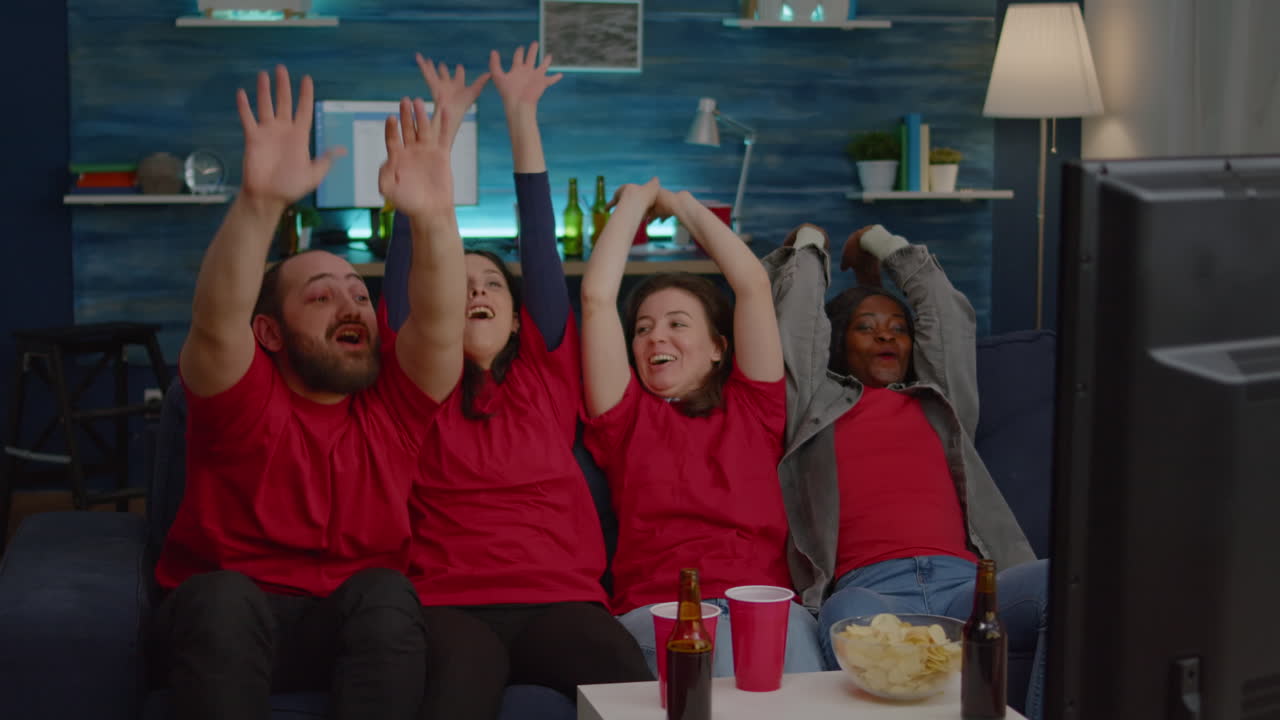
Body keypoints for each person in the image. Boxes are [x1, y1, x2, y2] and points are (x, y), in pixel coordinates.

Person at [148, 64, 461, 720]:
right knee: (222, 597)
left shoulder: (393, 408)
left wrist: (434, 218)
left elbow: (437, 325)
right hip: (229, 620)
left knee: (386, 593)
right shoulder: (240, 398)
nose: (351, 305)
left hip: (345, 626)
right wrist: (260, 204)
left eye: (359, 294)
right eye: (320, 297)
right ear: (268, 333)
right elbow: (215, 321)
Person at [379, 45, 651, 720]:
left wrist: (520, 114)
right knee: (453, 692)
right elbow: (408, 277)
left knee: (631, 684)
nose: (477, 292)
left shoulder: (547, 368)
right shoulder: (414, 386)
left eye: (492, 284)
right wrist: (436, 145)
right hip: (450, 603)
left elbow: (539, 245)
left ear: (515, 310)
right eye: (462, 284)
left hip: (560, 598)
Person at [764, 223, 1049, 719]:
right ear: (838, 344)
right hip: (870, 589)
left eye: (898, 327)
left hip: (968, 587)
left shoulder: (940, 401)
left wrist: (878, 241)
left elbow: (943, 308)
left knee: (1064, 585)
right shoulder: (815, 406)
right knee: (842, 620)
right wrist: (811, 244)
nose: (885, 334)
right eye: (866, 326)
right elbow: (798, 326)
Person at [579, 178, 826, 678]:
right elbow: (596, 300)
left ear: (718, 346)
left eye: (676, 323)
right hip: (661, 608)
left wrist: (680, 205)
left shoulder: (754, 404)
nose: (655, 338)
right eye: (643, 329)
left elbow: (752, 285)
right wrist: (632, 206)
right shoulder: (624, 419)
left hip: (764, 603)